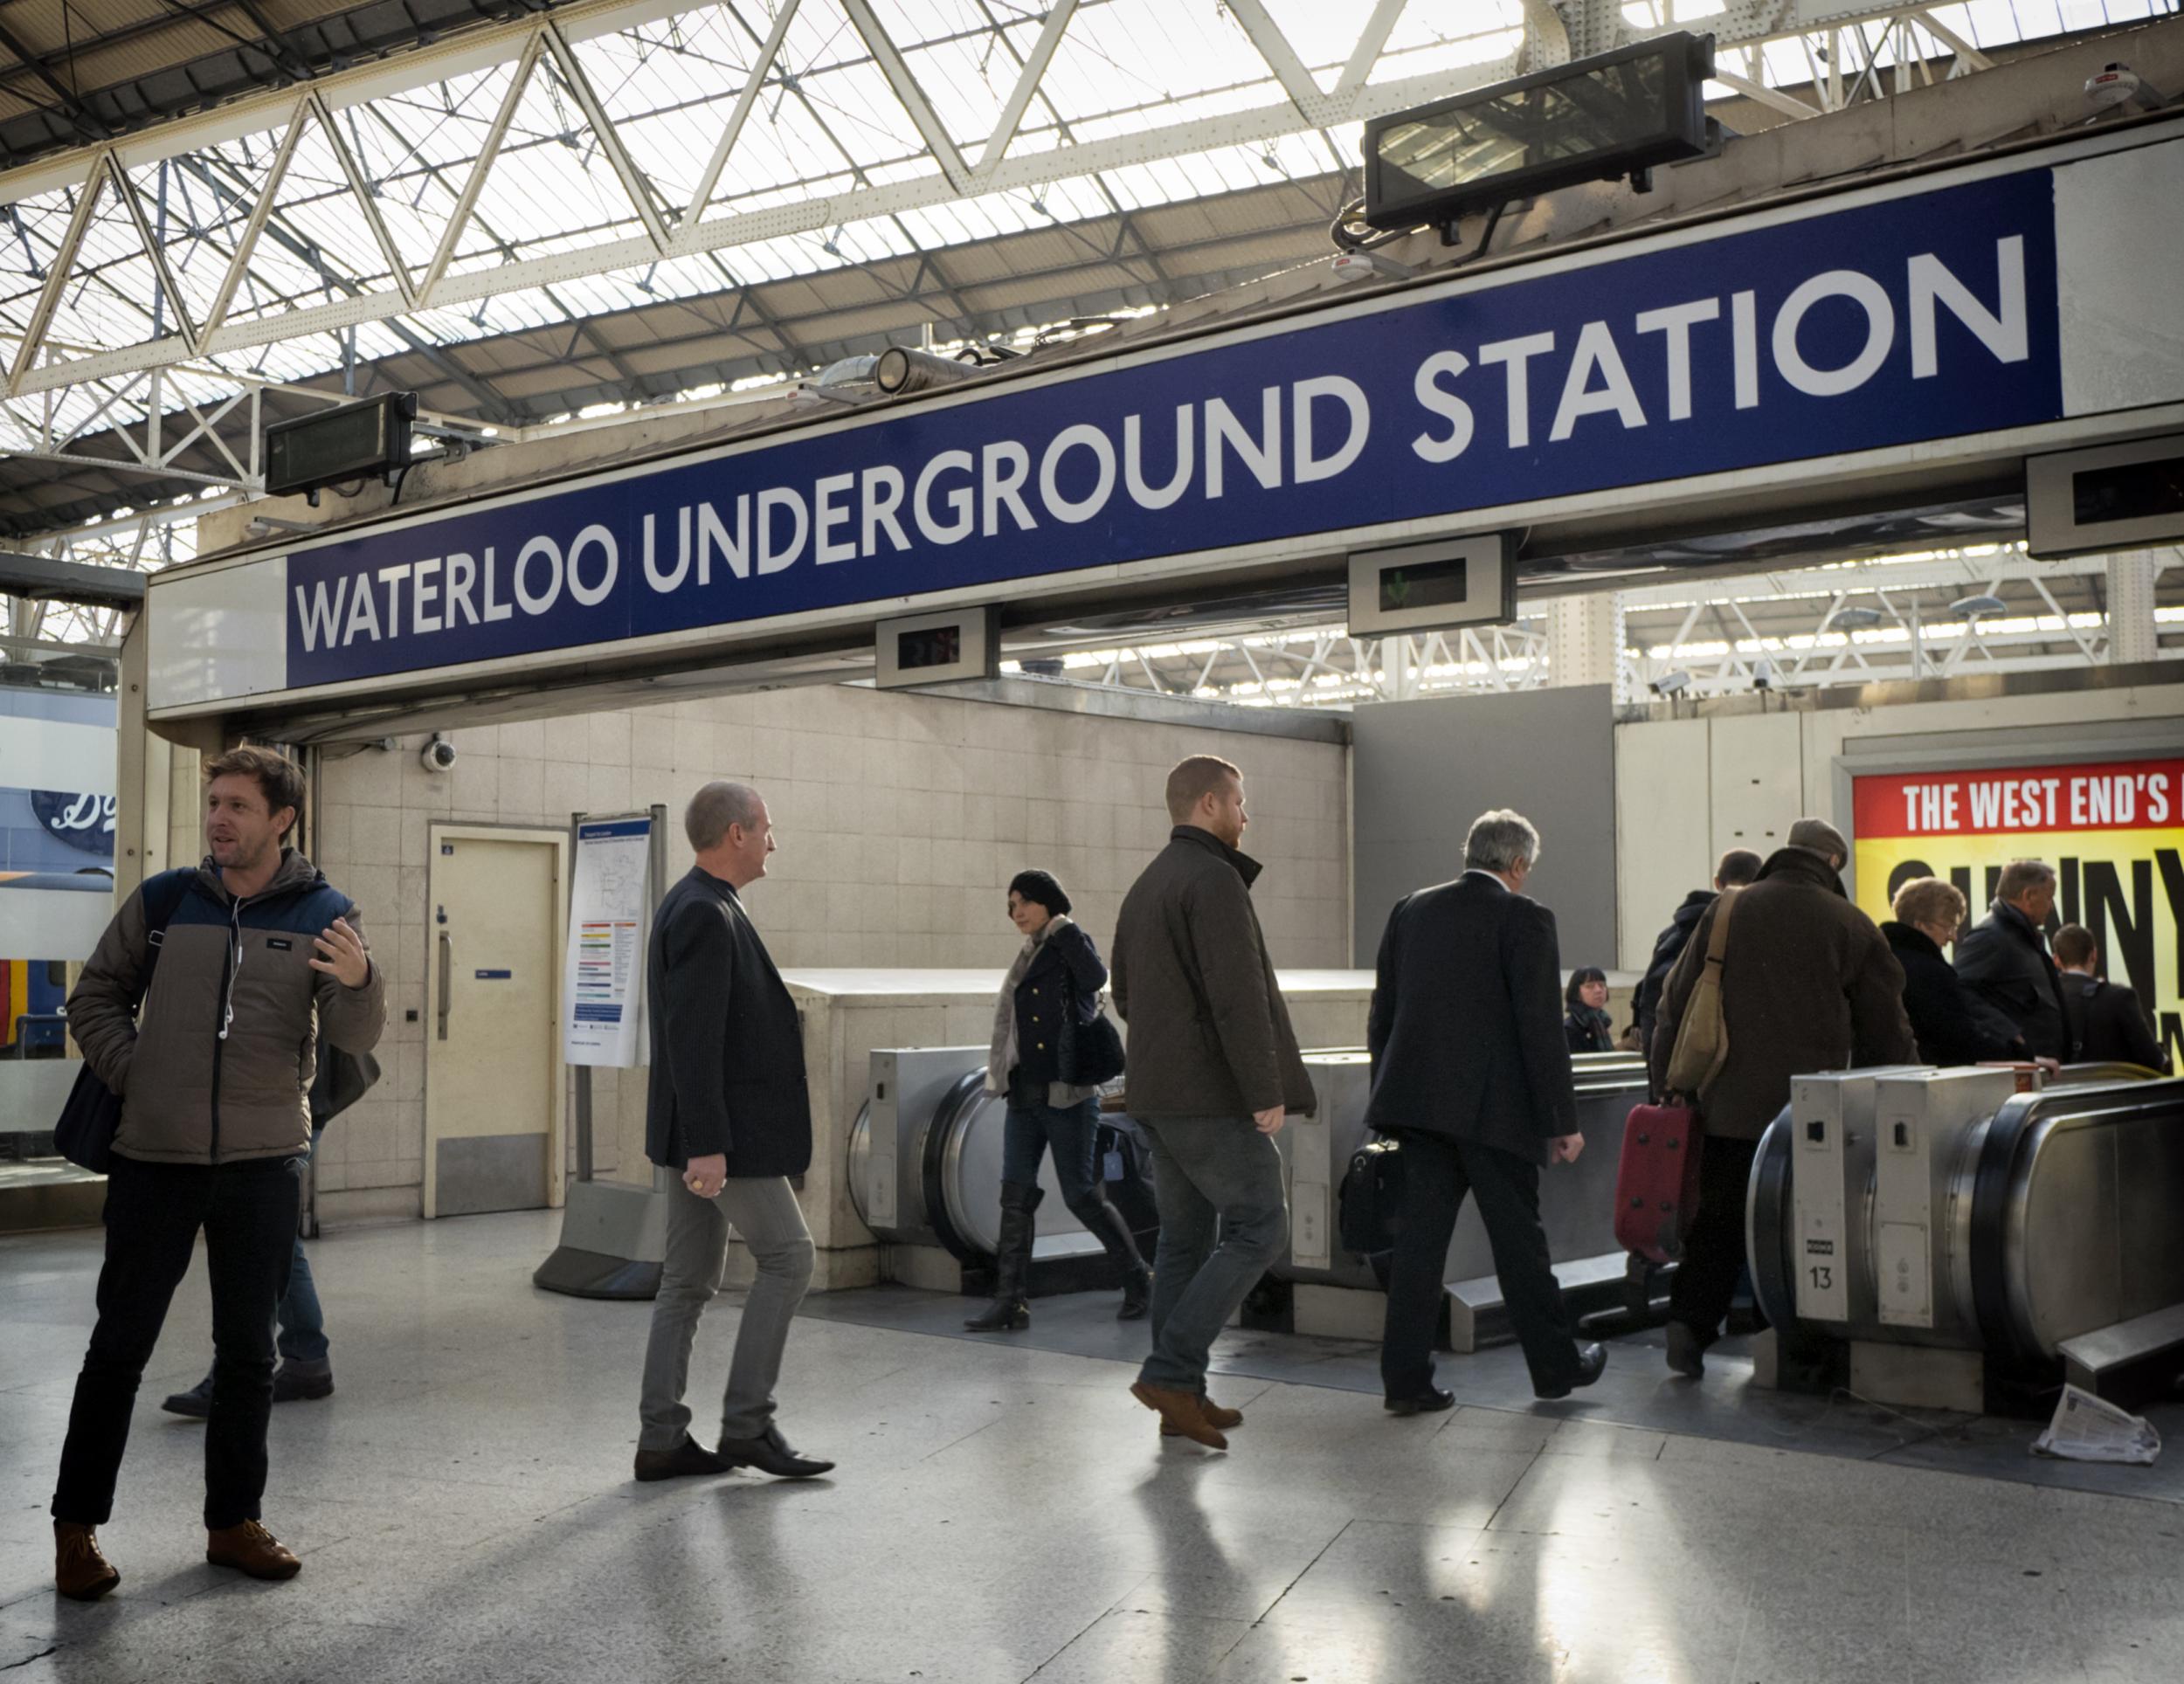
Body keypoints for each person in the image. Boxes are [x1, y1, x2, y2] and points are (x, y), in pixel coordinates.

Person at [52, 746, 384, 1600]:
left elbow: (352, 1035)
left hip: (262, 1164)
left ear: (282, 818)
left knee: (247, 1355)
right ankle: (76, 1528)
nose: (219, 819)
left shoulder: (325, 910)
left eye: (237, 804)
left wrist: (362, 979)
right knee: (117, 1347)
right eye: (213, 804)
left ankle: (233, 1520)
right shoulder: (166, 901)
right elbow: (93, 996)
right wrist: (142, 1073)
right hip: (152, 1161)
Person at [1649, 817, 1914, 1379]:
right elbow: (1886, 1030)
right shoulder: (1852, 924)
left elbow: (1674, 1002)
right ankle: (1794, 1342)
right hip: (1812, 1116)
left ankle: (1689, 1326)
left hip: (1728, 1103)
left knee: (1717, 1219)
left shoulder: (1726, 910)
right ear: (1833, 864)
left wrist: (1669, 1086)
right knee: (1804, 1227)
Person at [1366, 811, 1607, 1411]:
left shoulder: (1410, 909)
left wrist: (1387, 1099)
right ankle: (1555, 1369)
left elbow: (1384, 1017)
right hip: (1496, 1117)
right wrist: (1562, 1121)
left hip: (1418, 1111)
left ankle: (1405, 1381)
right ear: (1518, 865)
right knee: (1519, 1247)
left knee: (1418, 1250)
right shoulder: (1525, 917)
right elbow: (1540, 1031)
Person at [1111, 755, 1313, 1450]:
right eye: (1240, 802)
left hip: (1157, 1094)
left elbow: (1126, 995)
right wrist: (1264, 1090)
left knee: (1185, 1237)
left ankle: (1182, 1397)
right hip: (1209, 1095)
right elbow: (1239, 998)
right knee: (1261, 1225)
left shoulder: (1148, 884)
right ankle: (1170, 1372)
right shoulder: (1214, 879)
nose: (1245, 816)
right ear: (1207, 805)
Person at [634, 782, 833, 1484]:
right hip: (722, 1135)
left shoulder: (702, 904)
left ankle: (662, 1439)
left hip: (698, 1130)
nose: (774, 840)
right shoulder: (704, 915)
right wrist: (710, 1146)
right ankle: (749, 1425)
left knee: (686, 1283)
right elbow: (694, 1041)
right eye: (767, 828)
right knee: (790, 1257)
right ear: (737, 835)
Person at [965, 868, 1151, 1331]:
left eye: (1024, 902)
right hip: (1024, 1094)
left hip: (1067, 1094)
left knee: (1082, 1195)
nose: (1016, 913)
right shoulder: (1029, 954)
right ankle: (1011, 1301)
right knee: (1016, 1195)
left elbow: (1096, 977)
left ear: (1048, 902)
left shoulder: (1068, 943)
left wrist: (1066, 929)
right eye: (1011, 906)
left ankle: (1138, 1278)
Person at [160, 1048, 377, 1419]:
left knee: (256, 1235)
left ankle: (240, 1372)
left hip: (279, 1111)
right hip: (291, 1106)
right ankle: (306, 1357)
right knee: (274, 1237)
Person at [1881, 878, 2028, 1066]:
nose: (1953, 937)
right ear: (1921, 925)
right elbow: (1958, 1038)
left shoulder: (1884, 959)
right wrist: (2016, 1053)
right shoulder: (1929, 972)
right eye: (1948, 926)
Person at [1634, 850, 1763, 1062]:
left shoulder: (1673, 934)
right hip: (1735, 1064)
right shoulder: (1754, 930)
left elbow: (1664, 1006)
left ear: (1717, 882)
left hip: (1686, 1065)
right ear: (1759, 883)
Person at [1955, 860, 2067, 1060]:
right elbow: (1959, 990)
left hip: (2037, 1064)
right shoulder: (1990, 935)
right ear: (2029, 896)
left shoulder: (2020, 935)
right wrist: (2010, 1033)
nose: (2051, 907)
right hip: (2021, 1070)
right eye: (2049, 897)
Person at [2055, 923, 2171, 1072]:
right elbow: (2154, 1059)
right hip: (2117, 1092)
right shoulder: (2120, 997)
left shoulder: (2044, 999)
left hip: (2058, 1092)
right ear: (2094, 954)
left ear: (2056, 960)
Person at [1562, 968, 1614, 1053]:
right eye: (1590, 986)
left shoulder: (1602, 1022)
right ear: (1576, 992)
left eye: (1602, 985)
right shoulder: (1570, 1029)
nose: (1598, 990)